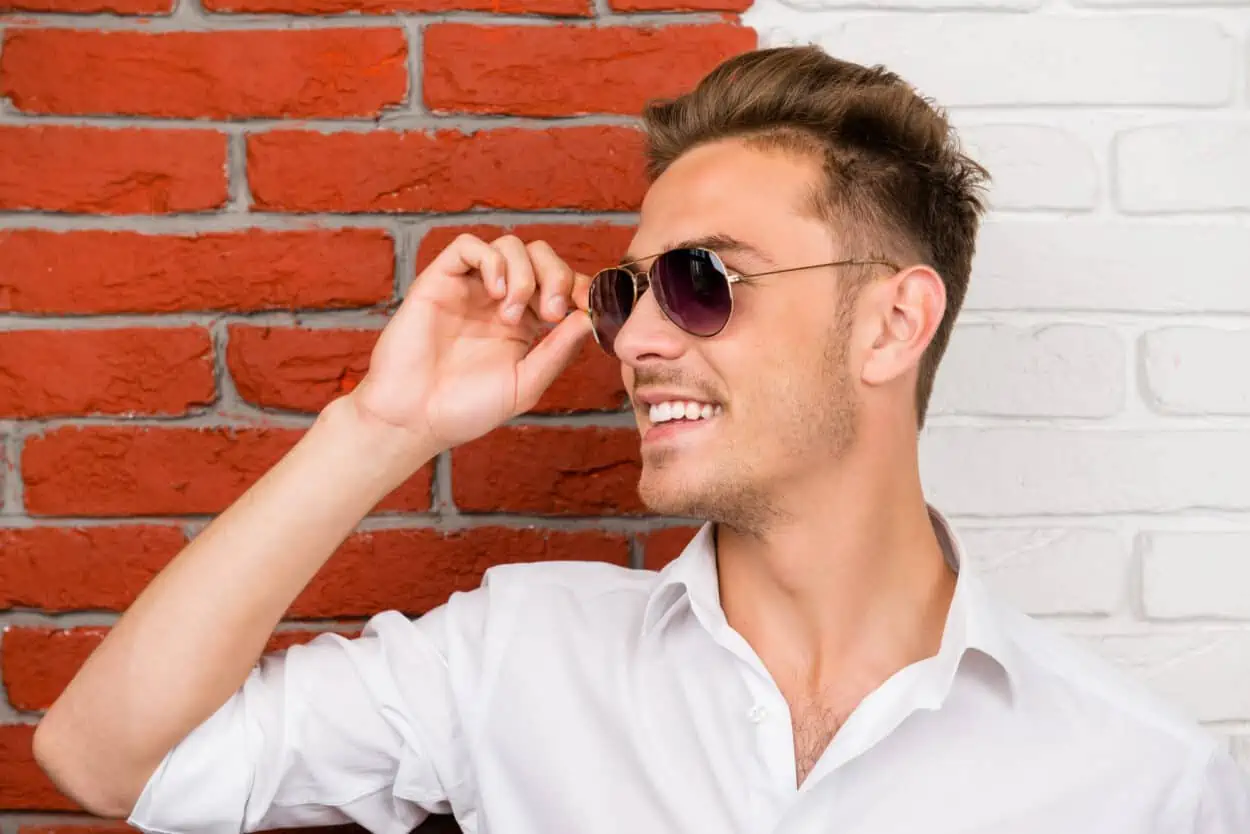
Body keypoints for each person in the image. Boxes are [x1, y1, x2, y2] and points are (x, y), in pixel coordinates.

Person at [33, 45, 1250, 834]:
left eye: (703, 279)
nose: (633, 343)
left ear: (892, 322)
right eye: (626, 293)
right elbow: (106, 765)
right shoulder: (520, 654)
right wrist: (380, 426)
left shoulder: (1139, 783)